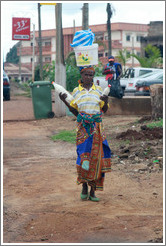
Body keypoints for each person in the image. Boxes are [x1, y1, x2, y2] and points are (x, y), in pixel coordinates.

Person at [59, 66, 111, 202]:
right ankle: (83, 186)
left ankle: (93, 191)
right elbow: (75, 111)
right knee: (83, 157)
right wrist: (64, 100)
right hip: (83, 129)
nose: (89, 77)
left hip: (97, 128)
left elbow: (104, 109)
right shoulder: (76, 92)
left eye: (91, 75)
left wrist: (106, 100)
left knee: (97, 158)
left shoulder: (99, 90)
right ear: (81, 75)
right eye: (86, 75)